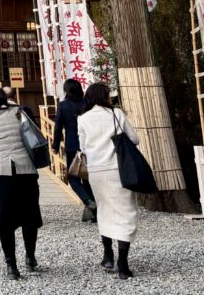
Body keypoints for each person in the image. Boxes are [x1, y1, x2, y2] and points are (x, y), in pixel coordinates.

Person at [0, 86, 42, 280]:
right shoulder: (19, 113)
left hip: (0, 173)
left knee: (5, 221)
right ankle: (30, 257)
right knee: (29, 218)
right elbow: (34, 136)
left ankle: (11, 265)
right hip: (26, 170)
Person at [77, 82, 141, 279]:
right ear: (104, 97)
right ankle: (123, 264)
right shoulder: (117, 114)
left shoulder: (83, 119)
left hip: (96, 172)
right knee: (125, 212)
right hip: (118, 169)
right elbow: (135, 139)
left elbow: (83, 147)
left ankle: (108, 255)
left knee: (104, 210)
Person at [52, 78, 98, 221]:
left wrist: (55, 145)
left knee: (73, 177)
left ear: (67, 91)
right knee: (87, 177)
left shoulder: (63, 105)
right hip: (90, 144)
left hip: (72, 144)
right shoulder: (87, 104)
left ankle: (88, 202)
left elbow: (58, 126)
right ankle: (95, 215)